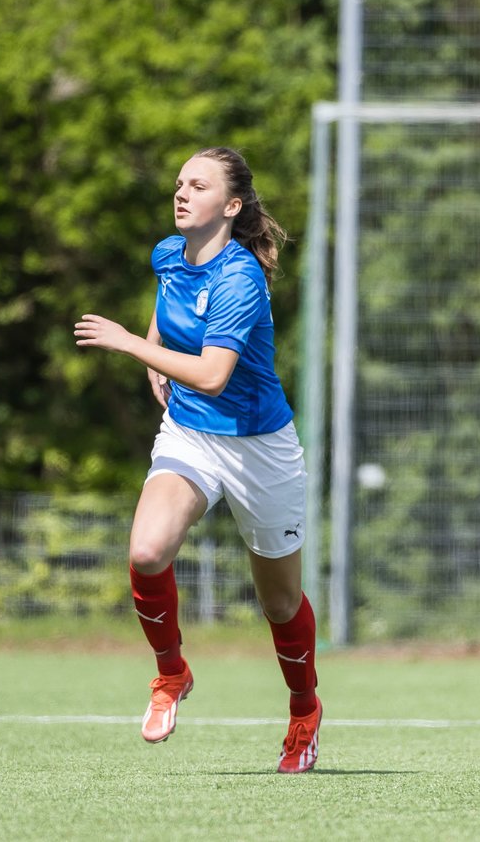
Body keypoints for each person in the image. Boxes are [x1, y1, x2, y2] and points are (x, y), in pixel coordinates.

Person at [74, 147, 321, 773]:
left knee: (280, 604)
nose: (181, 193)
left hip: (260, 449)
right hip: (190, 435)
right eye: (179, 183)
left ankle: (303, 711)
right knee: (146, 552)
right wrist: (155, 346)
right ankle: (171, 673)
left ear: (231, 207)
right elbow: (168, 309)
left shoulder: (240, 277)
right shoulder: (167, 253)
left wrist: (131, 347)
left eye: (198, 186)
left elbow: (213, 375)